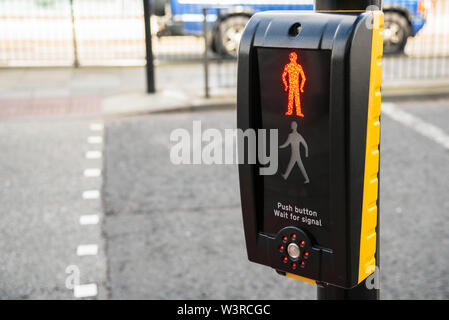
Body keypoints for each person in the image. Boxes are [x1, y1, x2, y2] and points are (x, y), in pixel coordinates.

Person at [282, 52, 306, 117]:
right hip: (291, 85)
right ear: (290, 58)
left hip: (296, 85)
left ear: (296, 58)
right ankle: (290, 111)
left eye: (294, 57)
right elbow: (283, 76)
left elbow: (304, 78)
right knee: (291, 99)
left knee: (297, 99)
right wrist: (286, 85)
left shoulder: (298, 66)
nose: (292, 59)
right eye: (291, 57)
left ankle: (298, 112)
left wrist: (301, 87)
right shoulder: (288, 66)